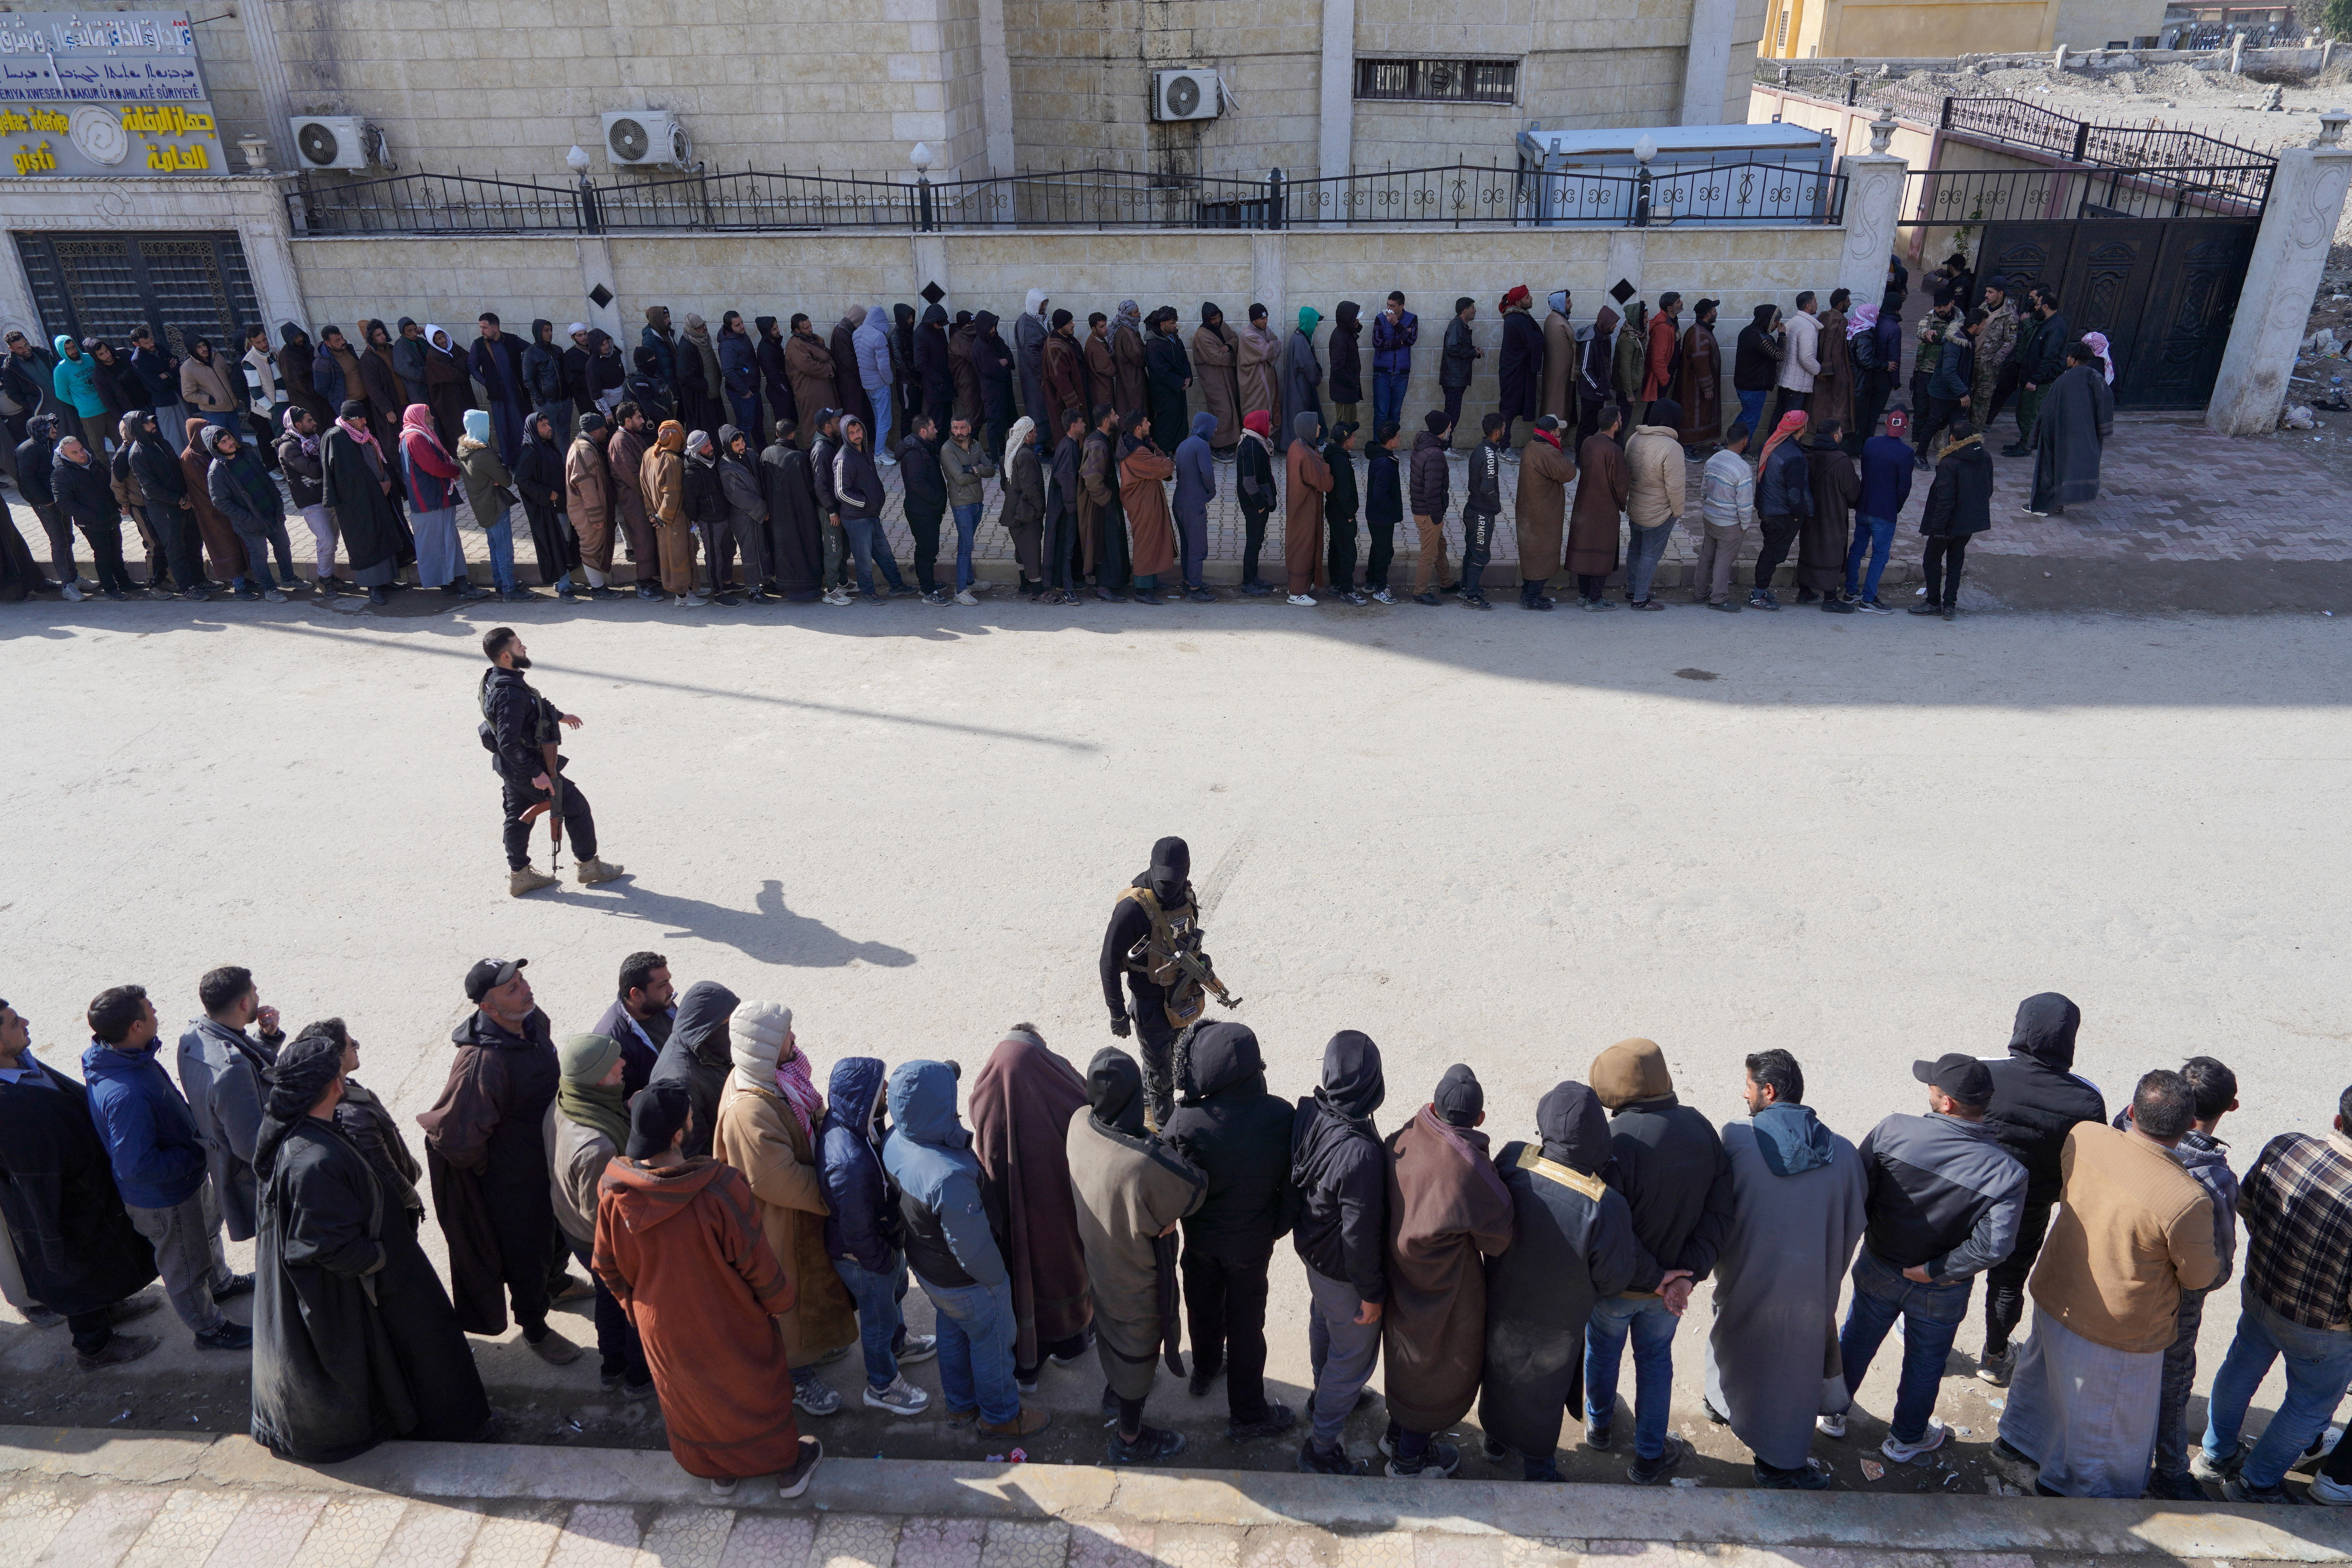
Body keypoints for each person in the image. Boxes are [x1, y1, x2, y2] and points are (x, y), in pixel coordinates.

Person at [249, 1027, 493, 1461]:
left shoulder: (311, 1135)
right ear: (334, 1085)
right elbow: (327, 1246)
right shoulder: (313, 1160)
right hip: (371, 1286)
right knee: (426, 1362)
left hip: (380, 1278)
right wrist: (381, 1259)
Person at [596, 1082, 825, 1499]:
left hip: (660, 1328)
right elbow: (756, 1261)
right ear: (679, 1135)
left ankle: (721, 1471)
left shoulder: (615, 1194)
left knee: (695, 1399)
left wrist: (635, 1312)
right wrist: (780, 1304)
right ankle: (787, 1468)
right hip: (726, 1317)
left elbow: (607, 1266)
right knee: (755, 1390)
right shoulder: (718, 1188)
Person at [1998, 1071, 2218, 1498]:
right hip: (2117, 1328)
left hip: (2055, 1288)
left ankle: (2018, 1443)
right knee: (2101, 1428)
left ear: (2132, 1112)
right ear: (2190, 1127)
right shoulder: (2184, 1198)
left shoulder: (2085, 1136)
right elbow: (2199, 1276)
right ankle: (2073, 1493)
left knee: (2042, 1381)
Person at [1834, 1053, 2025, 1464]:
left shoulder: (1892, 1130)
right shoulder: (2007, 1173)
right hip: (1942, 1287)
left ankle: (1830, 1413)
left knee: (1854, 1340)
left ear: (1946, 1104)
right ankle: (1905, 1439)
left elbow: (1857, 1193)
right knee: (1925, 1362)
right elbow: (1994, 1247)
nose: (1927, 1091)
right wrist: (1935, 1271)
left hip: (1879, 1265)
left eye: (1932, 1088)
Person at [1706, 1049, 1866, 1489]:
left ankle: (1775, 1462)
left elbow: (1718, 1211)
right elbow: (1852, 1224)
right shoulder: (1846, 1155)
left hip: (1744, 1278)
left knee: (1734, 1343)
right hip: (1808, 1292)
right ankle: (1776, 1448)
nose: (1744, 1093)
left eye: (1747, 1086)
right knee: (1790, 1374)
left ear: (1768, 1091)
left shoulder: (1737, 1139)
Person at [416, 957, 585, 1363]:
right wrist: (499, 1172)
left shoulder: (531, 1020)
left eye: (522, 980)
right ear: (487, 1009)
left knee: (560, 1232)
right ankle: (536, 1327)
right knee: (528, 1253)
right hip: (515, 1183)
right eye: (511, 988)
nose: (524, 989)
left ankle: (557, 1283)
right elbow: (455, 1139)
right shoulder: (482, 1062)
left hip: (549, 1161)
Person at [1480, 1079, 1648, 1481]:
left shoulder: (1512, 1160)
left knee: (1499, 1374)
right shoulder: (1604, 1205)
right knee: (1543, 1395)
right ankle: (1538, 1468)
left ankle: (1493, 1442)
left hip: (1503, 1305)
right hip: (1557, 1329)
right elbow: (1612, 1280)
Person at [2195, 1081, 2352, 1505]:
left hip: (2261, 1292)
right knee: (2309, 1407)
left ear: (2338, 1121)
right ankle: (2255, 1484)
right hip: (2322, 1329)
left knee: (2239, 1369)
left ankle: (2214, 1457)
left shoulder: (2285, 1147)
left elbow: (2245, 1206)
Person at [1583, 1039, 1727, 1484]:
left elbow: (1608, 1229)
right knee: (1655, 1361)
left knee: (1602, 1351)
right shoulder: (1701, 1128)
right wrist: (1684, 1278)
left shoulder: (1613, 1141)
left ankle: (1598, 1425)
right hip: (1671, 1292)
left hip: (1616, 1288)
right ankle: (1648, 1456)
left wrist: (1654, 1276)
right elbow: (1719, 1214)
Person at [884, 1058, 1051, 1439]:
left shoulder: (897, 1140)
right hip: (969, 1282)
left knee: (953, 1330)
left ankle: (960, 1407)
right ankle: (1001, 1415)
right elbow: (973, 1250)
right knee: (992, 1345)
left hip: (930, 1272)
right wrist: (998, 1284)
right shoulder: (949, 1175)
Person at [82, 984, 252, 1351]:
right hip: (166, 1198)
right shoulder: (125, 1093)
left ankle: (220, 1285)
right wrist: (195, 1154)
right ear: (136, 1027)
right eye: (150, 1009)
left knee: (206, 1234)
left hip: (183, 1184)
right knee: (186, 1267)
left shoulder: (124, 1056)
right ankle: (209, 1329)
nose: (157, 1012)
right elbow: (136, 1165)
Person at [713, 999, 861, 1417]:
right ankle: (797, 1376)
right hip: (779, 1224)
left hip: (798, 1218)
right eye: (785, 1036)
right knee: (788, 1303)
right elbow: (777, 1181)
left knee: (813, 1290)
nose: (794, 1039)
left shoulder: (772, 1078)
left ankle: (815, 1348)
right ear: (764, 1047)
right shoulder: (749, 1109)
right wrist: (836, 1198)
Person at [0, 995, 161, 1369]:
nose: (24, 1021)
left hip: (87, 1187)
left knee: (102, 1258)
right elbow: (32, 1168)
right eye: (11, 1023)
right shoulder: (6, 1104)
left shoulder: (20, 1062)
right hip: (59, 1201)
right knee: (77, 1269)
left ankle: (107, 1307)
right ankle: (94, 1347)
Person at [1162, 1021, 1298, 1442]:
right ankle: (1247, 1415)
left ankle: (1203, 1371)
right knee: (1246, 1327)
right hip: (1251, 1246)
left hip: (1200, 1242)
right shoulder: (1280, 1115)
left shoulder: (1185, 1121)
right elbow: (1291, 1186)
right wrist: (1274, 1230)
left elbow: (1166, 1182)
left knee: (1202, 1308)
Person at [1068, 1046, 1204, 1465]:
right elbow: (1194, 1189)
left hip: (1097, 1257)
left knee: (1110, 1328)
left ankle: (1117, 1391)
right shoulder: (1141, 1164)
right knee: (1137, 1343)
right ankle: (1129, 1438)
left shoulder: (1079, 1123)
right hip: (1133, 1272)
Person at [1379, 1063, 1510, 1479]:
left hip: (1399, 1276)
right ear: (1480, 1120)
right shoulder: (1469, 1167)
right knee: (1431, 1369)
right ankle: (1408, 1460)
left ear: (1434, 1107)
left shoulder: (1405, 1136)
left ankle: (1395, 1435)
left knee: (1407, 1361)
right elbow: (1498, 1238)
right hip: (1444, 1289)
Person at [2124, 1057, 2239, 1501]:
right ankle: (2170, 1472)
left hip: (2121, 1273)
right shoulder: (2211, 1178)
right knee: (2172, 1381)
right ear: (2230, 1107)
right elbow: (2214, 1272)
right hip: (2175, 1298)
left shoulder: (2131, 1130)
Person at [1976, 993, 2106, 1385]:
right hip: (2029, 1204)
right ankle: (1994, 1357)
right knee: (2007, 1281)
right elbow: (2083, 1164)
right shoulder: (2085, 1097)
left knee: (1945, 1265)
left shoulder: (1983, 1073)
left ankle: (1921, 1333)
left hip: (1971, 1193)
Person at [964, 1025, 1091, 1390]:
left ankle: (1028, 1369)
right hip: (1058, 1214)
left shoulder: (985, 1089)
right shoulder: (1055, 1078)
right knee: (1063, 1273)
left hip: (1009, 1217)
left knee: (1020, 1283)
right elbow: (1088, 1110)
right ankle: (1070, 1346)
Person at [1292, 1030, 1388, 1475]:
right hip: (1344, 1273)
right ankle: (1323, 1446)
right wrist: (1371, 1295)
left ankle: (1321, 1394)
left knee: (1323, 1323)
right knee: (1351, 1359)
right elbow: (1360, 1238)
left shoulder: (1314, 1110)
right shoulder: (1361, 1155)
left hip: (1315, 1257)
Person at [820, 1053, 938, 1415]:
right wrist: (882, 1262)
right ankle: (882, 1385)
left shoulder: (858, 1122)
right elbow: (857, 1229)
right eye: (880, 1087)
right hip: (865, 1257)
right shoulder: (849, 1163)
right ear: (864, 1097)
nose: (887, 1089)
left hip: (881, 1244)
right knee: (878, 1319)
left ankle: (898, 1346)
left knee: (892, 1302)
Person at [545, 1031, 651, 1396]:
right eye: (613, 1063)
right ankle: (637, 1378)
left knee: (609, 1299)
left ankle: (612, 1368)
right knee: (631, 1304)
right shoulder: (598, 1147)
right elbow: (602, 1215)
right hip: (600, 1237)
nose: (623, 1065)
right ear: (595, 1078)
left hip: (571, 1223)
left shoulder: (566, 1100)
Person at [480, 626, 621, 895]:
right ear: (507, 655)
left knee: (518, 816)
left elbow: (533, 705)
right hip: (526, 765)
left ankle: (520, 874)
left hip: (511, 767)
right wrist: (537, 773)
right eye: (519, 645)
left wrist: (559, 715)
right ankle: (589, 866)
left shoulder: (496, 677)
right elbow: (508, 741)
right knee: (576, 806)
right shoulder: (508, 693)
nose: (525, 648)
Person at [1098, 836, 1205, 1127]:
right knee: (1162, 1076)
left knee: (1174, 1058)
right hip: (1150, 1005)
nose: (1167, 886)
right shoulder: (1132, 909)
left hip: (1183, 995)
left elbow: (1186, 936)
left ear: (1186, 871)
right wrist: (1117, 1012)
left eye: (1175, 879)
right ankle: (1165, 1136)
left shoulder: (1186, 895)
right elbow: (1108, 962)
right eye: (1162, 879)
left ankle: (1149, 1103)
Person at [175, 966, 284, 1250]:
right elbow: (252, 1145)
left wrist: (267, 1039)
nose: (259, 996)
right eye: (255, 991)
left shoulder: (194, 1036)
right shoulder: (230, 1068)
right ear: (245, 1003)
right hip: (258, 1186)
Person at [646, 980, 741, 1160]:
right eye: (729, 1023)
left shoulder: (696, 1044)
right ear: (707, 1028)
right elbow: (692, 1153)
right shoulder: (681, 1082)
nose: (734, 1030)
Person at [324, 398, 406, 607]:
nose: (364, 421)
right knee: (367, 542)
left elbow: (378, 460)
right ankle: (373, 587)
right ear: (349, 420)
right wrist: (373, 488)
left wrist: (387, 481)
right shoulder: (336, 438)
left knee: (384, 535)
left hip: (379, 497)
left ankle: (387, 580)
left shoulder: (364, 435)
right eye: (360, 418)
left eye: (364, 416)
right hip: (357, 504)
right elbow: (344, 477)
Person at [1913, 417, 1993, 622]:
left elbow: (1945, 499)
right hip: (1969, 523)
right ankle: (1950, 605)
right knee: (1955, 562)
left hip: (1948, 523)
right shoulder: (1985, 456)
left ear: (1952, 438)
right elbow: (1988, 490)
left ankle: (1933, 603)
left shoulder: (1949, 463)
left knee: (1932, 560)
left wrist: (1938, 527)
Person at [205, 424, 297, 601]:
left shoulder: (247, 453)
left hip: (271, 513)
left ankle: (289, 579)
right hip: (250, 523)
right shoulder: (217, 471)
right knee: (260, 556)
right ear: (215, 448)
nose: (230, 443)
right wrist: (247, 519)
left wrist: (277, 500)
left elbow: (265, 476)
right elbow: (221, 503)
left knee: (284, 546)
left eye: (229, 438)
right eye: (224, 442)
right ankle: (270, 589)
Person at [2025, 342, 2113, 518]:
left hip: (2061, 433)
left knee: (2050, 467)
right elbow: (2106, 402)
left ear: (2072, 360)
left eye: (2068, 357)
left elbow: (2048, 410)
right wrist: (2102, 432)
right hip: (2086, 435)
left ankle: (2045, 506)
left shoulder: (2064, 380)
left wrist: (2037, 436)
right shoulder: (2096, 377)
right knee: (2071, 468)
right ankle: (2059, 504)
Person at [455, 408, 525, 603]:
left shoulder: (464, 449)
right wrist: (500, 470)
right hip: (495, 506)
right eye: (486, 424)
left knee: (495, 548)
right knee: (504, 549)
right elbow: (506, 480)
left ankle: (502, 584)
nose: (490, 427)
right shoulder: (484, 454)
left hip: (483, 506)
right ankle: (509, 590)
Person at [1847, 408, 1913, 612]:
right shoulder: (1906, 453)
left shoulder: (1870, 443)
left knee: (1857, 549)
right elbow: (1904, 488)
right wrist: (1896, 507)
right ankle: (1869, 598)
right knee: (1880, 554)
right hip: (1885, 510)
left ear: (1886, 424)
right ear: (1906, 427)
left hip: (1864, 505)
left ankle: (1850, 591)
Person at [53, 435, 134, 600]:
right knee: (103, 555)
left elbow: (109, 486)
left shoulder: (94, 462)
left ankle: (125, 583)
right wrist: (92, 516)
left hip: (111, 517)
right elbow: (64, 503)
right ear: (65, 454)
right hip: (92, 524)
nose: (82, 454)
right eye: (75, 453)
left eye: (82, 449)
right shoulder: (61, 473)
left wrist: (118, 504)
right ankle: (110, 589)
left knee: (117, 552)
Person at [1622, 399, 1683, 611]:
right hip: (1658, 513)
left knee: (1635, 550)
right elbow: (1675, 487)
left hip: (1636, 506)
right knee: (1650, 555)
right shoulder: (1672, 447)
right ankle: (1640, 599)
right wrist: (1677, 512)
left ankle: (1633, 589)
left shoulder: (1634, 438)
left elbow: (1626, 471)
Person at [1565, 405, 1628, 611]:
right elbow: (1620, 485)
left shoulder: (1588, 443)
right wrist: (1622, 504)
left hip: (1584, 505)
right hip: (1604, 509)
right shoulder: (1614, 450)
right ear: (1615, 424)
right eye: (1620, 419)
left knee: (1585, 550)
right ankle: (1595, 600)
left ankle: (1584, 595)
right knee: (1603, 552)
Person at [514, 410, 581, 601]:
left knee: (566, 541)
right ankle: (564, 586)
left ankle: (564, 581)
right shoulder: (530, 451)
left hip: (560, 505)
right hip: (548, 509)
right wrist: (548, 494)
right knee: (557, 544)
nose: (549, 428)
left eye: (548, 424)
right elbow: (522, 480)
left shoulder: (547, 447)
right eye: (543, 425)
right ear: (534, 430)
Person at [589, 950, 674, 1095]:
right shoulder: (614, 1043)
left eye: (669, 981)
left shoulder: (662, 1004)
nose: (671, 989)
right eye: (662, 985)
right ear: (637, 994)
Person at [1513, 413, 1574, 610]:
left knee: (1531, 554)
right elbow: (1569, 473)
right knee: (1543, 554)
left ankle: (1527, 593)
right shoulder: (1547, 452)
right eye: (1558, 432)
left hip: (1530, 512)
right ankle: (1532, 597)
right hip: (1542, 516)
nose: (1560, 436)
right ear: (1551, 432)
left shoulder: (1532, 446)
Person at [1749, 410, 1809, 611]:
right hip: (1781, 514)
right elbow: (1795, 494)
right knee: (1772, 554)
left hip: (1766, 509)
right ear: (1802, 429)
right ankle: (1758, 595)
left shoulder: (1771, 445)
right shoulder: (1794, 456)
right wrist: (1798, 515)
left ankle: (1761, 590)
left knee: (1770, 550)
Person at [275, 407, 338, 597]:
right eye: (309, 421)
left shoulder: (313, 442)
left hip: (327, 496)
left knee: (332, 542)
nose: (314, 423)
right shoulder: (288, 447)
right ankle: (325, 579)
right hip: (310, 501)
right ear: (298, 425)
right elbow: (313, 471)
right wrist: (331, 463)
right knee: (326, 541)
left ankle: (331, 577)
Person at [761, 417, 824, 603]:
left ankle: (783, 585)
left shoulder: (765, 454)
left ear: (776, 434)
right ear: (793, 435)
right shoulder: (799, 458)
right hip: (800, 516)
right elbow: (811, 488)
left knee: (782, 551)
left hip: (775, 515)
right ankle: (808, 587)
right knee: (804, 550)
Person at [1798, 416, 1857, 612]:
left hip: (1809, 517)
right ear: (1835, 436)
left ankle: (1804, 591)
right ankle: (1830, 599)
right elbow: (1853, 494)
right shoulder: (1842, 461)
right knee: (1830, 553)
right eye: (1840, 432)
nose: (1842, 435)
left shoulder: (1807, 456)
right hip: (1832, 517)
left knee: (1809, 548)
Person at [1117, 411, 1177, 604]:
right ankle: (1142, 590)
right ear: (1138, 428)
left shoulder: (1142, 444)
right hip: (1142, 502)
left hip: (1148, 499)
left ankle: (1151, 581)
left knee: (1154, 539)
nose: (1150, 424)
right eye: (1146, 423)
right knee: (1145, 542)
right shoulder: (1138, 451)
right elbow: (1162, 466)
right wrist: (1166, 462)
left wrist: (1160, 458)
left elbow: (1159, 456)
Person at [1693, 420, 1753, 611]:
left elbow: (1704, 489)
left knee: (1707, 557)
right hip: (1730, 524)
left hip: (1710, 517)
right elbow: (1744, 504)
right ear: (1746, 441)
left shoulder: (1713, 460)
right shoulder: (1743, 469)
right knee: (1723, 563)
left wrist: (1709, 506)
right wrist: (1745, 525)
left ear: (1727, 439)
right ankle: (1718, 599)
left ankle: (1700, 594)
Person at [642, 420, 702, 608]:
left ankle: (689, 588)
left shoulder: (648, 455)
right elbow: (673, 494)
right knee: (680, 555)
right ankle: (683, 596)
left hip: (659, 519)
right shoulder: (674, 461)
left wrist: (653, 514)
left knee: (671, 555)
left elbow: (644, 487)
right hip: (674, 519)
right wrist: (663, 517)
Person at [940, 413, 997, 607]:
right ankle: (961, 590)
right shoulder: (948, 450)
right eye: (955, 428)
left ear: (970, 428)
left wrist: (972, 469)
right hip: (962, 504)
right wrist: (978, 470)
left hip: (977, 502)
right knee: (965, 547)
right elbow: (960, 479)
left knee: (969, 543)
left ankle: (970, 582)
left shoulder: (976, 446)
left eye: (962, 428)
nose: (959, 431)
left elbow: (991, 470)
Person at [566, 411, 623, 598]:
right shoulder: (584, 451)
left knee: (594, 548)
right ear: (596, 431)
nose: (606, 431)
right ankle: (598, 590)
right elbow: (586, 487)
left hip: (591, 511)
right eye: (603, 429)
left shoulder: (588, 446)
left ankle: (599, 587)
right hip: (587, 513)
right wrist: (597, 516)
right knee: (591, 549)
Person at [604, 404, 657, 597]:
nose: (643, 421)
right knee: (642, 541)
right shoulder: (620, 442)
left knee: (649, 541)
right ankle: (643, 584)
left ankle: (651, 579)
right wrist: (652, 494)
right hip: (634, 501)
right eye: (638, 417)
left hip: (642, 498)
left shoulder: (631, 437)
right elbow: (633, 476)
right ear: (627, 421)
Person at [2012, 290, 2071, 456]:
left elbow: (2049, 357)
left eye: (2037, 304)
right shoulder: (2045, 323)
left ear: (2045, 306)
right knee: (2023, 411)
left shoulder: (2056, 327)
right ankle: (2024, 441)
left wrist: (2035, 380)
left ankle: (2026, 447)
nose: (2035, 307)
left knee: (2031, 414)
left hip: (2040, 382)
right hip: (2030, 378)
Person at [1282, 411, 1331, 606]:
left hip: (1299, 507)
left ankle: (1299, 585)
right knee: (1304, 547)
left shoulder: (1296, 446)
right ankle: (1296, 593)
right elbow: (1325, 484)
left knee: (1300, 545)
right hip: (1306, 510)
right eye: (1317, 425)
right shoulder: (1307, 454)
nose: (1320, 428)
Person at [1459, 411, 1505, 611]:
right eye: (1504, 428)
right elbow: (1488, 488)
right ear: (1497, 432)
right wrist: (1496, 505)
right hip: (1482, 513)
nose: (1505, 431)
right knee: (1480, 555)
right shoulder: (1490, 455)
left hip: (1472, 508)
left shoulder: (1480, 449)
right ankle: (1471, 597)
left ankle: (1466, 587)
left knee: (1471, 551)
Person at [1173, 409, 1219, 602]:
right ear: (1206, 428)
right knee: (1198, 548)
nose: (1215, 432)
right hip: (1194, 505)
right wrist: (1211, 491)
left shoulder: (1183, 444)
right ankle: (1195, 588)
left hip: (1179, 502)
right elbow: (1207, 474)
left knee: (1188, 545)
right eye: (1214, 428)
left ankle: (1188, 581)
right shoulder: (1202, 446)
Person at [999, 414, 1046, 599]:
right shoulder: (1026, 455)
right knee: (1032, 551)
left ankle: (1024, 586)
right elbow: (1030, 489)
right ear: (1027, 435)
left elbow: (1005, 485)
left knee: (1021, 550)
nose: (1036, 434)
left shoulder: (1009, 454)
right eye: (1034, 431)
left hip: (1014, 513)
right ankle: (1038, 591)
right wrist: (1039, 508)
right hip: (1026, 513)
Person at [1408, 411, 1453, 606]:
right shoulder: (1434, 454)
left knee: (1440, 547)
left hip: (1425, 510)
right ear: (1442, 431)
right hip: (1429, 513)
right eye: (1450, 427)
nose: (1451, 430)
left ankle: (1447, 582)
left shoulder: (1423, 445)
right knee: (1429, 554)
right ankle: (1420, 592)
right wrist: (1437, 516)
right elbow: (1432, 491)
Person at [1044, 408, 1088, 604]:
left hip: (1065, 507)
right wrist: (1074, 509)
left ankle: (1073, 582)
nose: (1085, 424)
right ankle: (1067, 589)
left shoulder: (1067, 444)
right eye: (1081, 421)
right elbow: (1066, 480)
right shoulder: (1069, 448)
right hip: (1066, 509)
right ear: (1074, 425)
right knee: (1067, 549)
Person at [1320, 419, 1363, 606]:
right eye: (1353, 437)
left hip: (1333, 509)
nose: (1355, 439)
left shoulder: (1334, 454)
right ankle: (1347, 590)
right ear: (1347, 441)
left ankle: (1335, 584)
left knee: (1336, 547)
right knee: (1348, 552)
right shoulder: (1341, 462)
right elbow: (1344, 493)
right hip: (1341, 512)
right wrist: (1350, 515)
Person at [1496, 286, 1544, 451]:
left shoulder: (1520, 316)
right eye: (1527, 297)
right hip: (1514, 372)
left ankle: (1503, 445)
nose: (1531, 299)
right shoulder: (1517, 319)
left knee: (1510, 409)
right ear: (1518, 302)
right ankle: (1503, 447)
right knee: (1508, 410)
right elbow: (1535, 341)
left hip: (1518, 371)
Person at [1362, 419, 1402, 605]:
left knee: (1377, 548)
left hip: (1376, 515)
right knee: (1385, 551)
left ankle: (1370, 582)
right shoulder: (1385, 463)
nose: (1400, 439)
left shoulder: (1381, 457)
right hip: (1381, 516)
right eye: (1398, 437)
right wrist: (1391, 508)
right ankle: (1380, 587)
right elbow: (1380, 493)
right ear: (1391, 441)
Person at [784, 316, 837, 452]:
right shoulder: (795, 344)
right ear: (797, 330)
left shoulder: (814, 339)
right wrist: (827, 368)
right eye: (806, 328)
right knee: (813, 422)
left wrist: (827, 364)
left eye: (810, 326)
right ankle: (812, 451)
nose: (810, 329)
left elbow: (829, 357)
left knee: (829, 420)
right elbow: (808, 365)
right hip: (809, 391)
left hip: (824, 388)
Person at [1676, 300, 1723, 452]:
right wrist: (1708, 387)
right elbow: (1701, 364)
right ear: (1708, 315)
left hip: (1695, 386)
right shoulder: (1699, 334)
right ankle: (1687, 448)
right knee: (1693, 417)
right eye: (1714, 311)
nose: (1716, 313)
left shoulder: (1700, 331)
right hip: (1695, 388)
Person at [1144, 308, 1193, 452]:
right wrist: (1179, 383)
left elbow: (1184, 358)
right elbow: (1161, 372)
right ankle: (1163, 453)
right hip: (1164, 393)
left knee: (1180, 422)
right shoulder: (1153, 345)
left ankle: (1179, 451)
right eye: (1172, 323)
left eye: (1176, 322)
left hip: (1179, 389)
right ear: (1162, 324)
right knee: (1166, 424)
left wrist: (1188, 377)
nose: (1176, 326)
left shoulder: (1175, 338)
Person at [1049, 310, 1097, 451]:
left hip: (1081, 392)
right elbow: (1060, 377)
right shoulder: (1055, 347)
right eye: (1069, 323)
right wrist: (1073, 402)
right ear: (1060, 326)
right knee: (1071, 433)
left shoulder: (1069, 339)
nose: (1073, 325)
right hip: (1068, 402)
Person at [1371, 291, 1418, 434]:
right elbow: (1377, 342)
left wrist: (1397, 324)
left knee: (1395, 415)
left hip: (1401, 375)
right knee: (1381, 414)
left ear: (1401, 306)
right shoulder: (1380, 318)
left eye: (1392, 305)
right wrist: (1399, 342)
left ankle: (1391, 446)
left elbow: (1411, 340)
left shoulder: (1412, 319)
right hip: (1382, 373)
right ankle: (1379, 449)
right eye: (1388, 304)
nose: (1389, 308)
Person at [1636, 291, 1679, 433]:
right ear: (1670, 308)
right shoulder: (1663, 328)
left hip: (1664, 376)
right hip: (1661, 378)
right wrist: (1665, 379)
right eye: (1679, 302)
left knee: (1655, 409)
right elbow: (1657, 358)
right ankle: (1646, 439)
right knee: (1654, 411)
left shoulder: (1671, 323)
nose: (1682, 303)